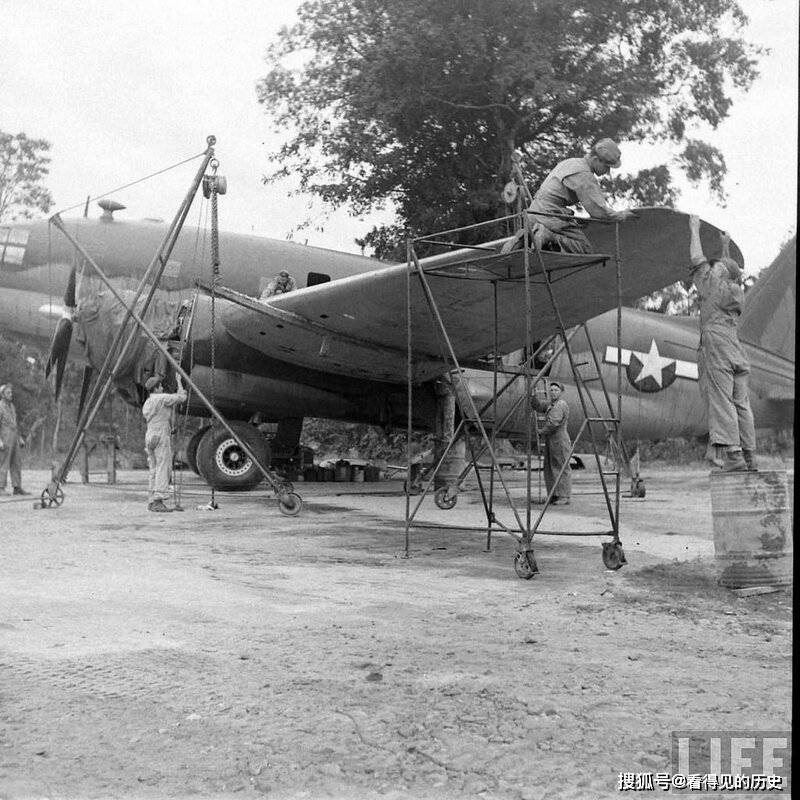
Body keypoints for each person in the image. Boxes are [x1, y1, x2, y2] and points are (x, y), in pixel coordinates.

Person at [688, 215, 756, 472]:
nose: (712, 266)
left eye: (715, 266)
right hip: (736, 350)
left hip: (716, 348)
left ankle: (732, 456)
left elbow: (697, 259)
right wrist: (725, 246)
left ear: (719, 273)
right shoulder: (734, 291)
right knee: (741, 404)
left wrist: (694, 229)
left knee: (721, 400)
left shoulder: (712, 285)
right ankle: (750, 457)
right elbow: (730, 269)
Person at [528, 138, 637, 253]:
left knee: (552, 250)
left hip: (533, 212)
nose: (608, 171)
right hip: (547, 216)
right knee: (584, 248)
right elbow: (599, 211)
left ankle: (531, 239)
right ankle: (548, 235)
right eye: (607, 166)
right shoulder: (584, 175)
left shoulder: (571, 162)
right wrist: (622, 216)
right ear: (596, 159)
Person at [142, 373, 187, 512]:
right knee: (163, 467)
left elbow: (158, 419)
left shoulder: (148, 402)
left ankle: (151, 500)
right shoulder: (161, 398)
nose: (162, 387)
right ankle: (158, 500)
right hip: (160, 436)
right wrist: (179, 381)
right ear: (156, 389)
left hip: (150, 435)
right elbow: (182, 397)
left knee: (154, 468)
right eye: (160, 386)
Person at [532, 381, 572, 505]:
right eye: (552, 390)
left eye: (556, 390)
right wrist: (532, 396)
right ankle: (554, 495)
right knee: (550, 468)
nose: (553, 392)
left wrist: (541, 431)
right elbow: (538, 406)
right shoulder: (551, 404)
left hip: (560, 440)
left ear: (561, 392)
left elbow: (553, 423)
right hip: (551, 440)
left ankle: (564, 496)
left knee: (561, 467)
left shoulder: (560, 405)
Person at [0, 383, 28, 495]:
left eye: (11, 392)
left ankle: (17, 487)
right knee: (3, 463)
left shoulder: (12, 406)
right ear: (2, 394)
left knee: (16, 463)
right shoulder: (0, 406)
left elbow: (14, 424)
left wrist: (20, 438)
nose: (11, 394)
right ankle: (0, 487)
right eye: (8, 393)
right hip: (5, 438)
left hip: (14, 438)